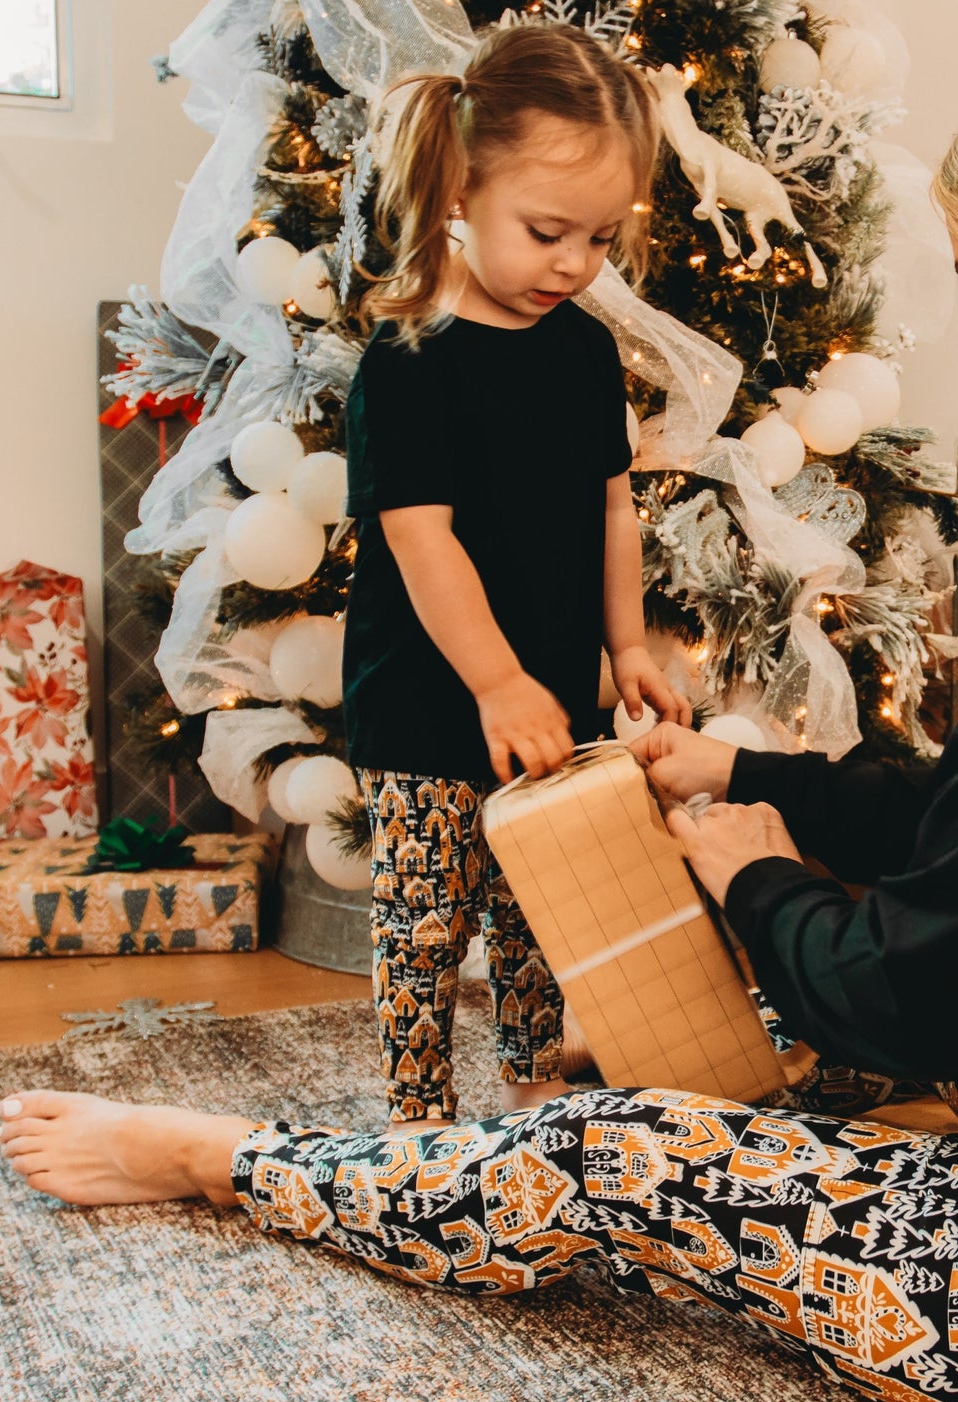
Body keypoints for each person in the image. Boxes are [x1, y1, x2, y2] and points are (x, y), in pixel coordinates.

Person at [0, 14, 958, 1402]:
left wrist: (751, 874)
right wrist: (745, 771)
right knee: (761, 1022)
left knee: (612, 1151)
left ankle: (230, 1156)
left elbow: (921, 989)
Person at [339, 24, 689, 1125]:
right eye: (547, 232)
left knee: (539, 903)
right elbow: (419, 539)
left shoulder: (584, 350)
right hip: (428, 699)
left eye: (600, 237)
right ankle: (417, 1105)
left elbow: (609, 508)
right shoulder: (408, 361)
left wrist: (626, 647)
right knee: (429, 917)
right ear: (458, 187)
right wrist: (495, 682)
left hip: (548, 686)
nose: (576, 264)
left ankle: (537, 1076)